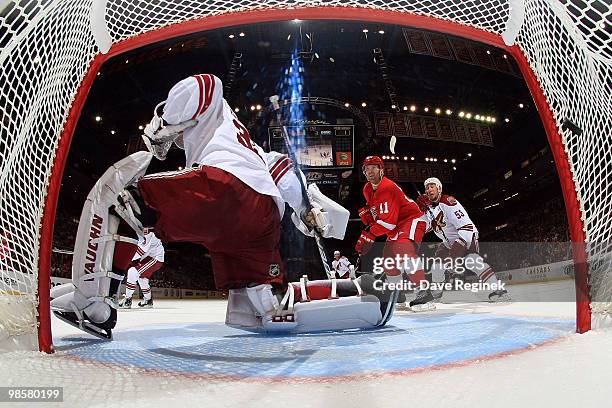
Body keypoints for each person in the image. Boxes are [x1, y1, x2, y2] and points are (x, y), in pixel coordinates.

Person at [51, 74, 398, 338]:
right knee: (257, 309)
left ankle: (92, 302)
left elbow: (204, 84)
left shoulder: (216, 112)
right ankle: (360, 294)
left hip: (226, 193)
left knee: (123, 199)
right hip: (262, 219)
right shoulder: (247, 146)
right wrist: (308, 211)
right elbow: (285, 174)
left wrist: (161, 125)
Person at [355, 155, 435, 311]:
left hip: (412, 219)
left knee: (403, 249)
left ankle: (424, 293)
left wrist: (370, 232)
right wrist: (370, 218)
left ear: (381, 170)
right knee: (388, 260)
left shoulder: (387, 187)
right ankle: (397, 295)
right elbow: (379, 213)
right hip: (396, 225)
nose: (370, 172)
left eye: (374, 168)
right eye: (366, 169)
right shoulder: (367, 189)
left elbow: (388, 223)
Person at [416, 177, 510, 301]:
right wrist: (418, 212)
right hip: (448, 242)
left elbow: (466, 227)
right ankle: (436, 295)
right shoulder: (429, 210)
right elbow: (422, 227)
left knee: (472, 261)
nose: (429, 189)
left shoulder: (448, 202)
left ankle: (499, 291)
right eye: (427, 188)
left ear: (439, 188)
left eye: (432, 186)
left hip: (466, 235)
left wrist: (453, 255)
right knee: (437, 267)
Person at [119, 228, 164, 309]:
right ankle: (148, 301)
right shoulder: (140, 229)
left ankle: (127, 300)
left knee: (132, 272)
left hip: (155, 258)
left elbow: (141, 250)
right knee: (142, 278)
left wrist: (125, 259)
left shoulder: (146, 231)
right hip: (148, 257)